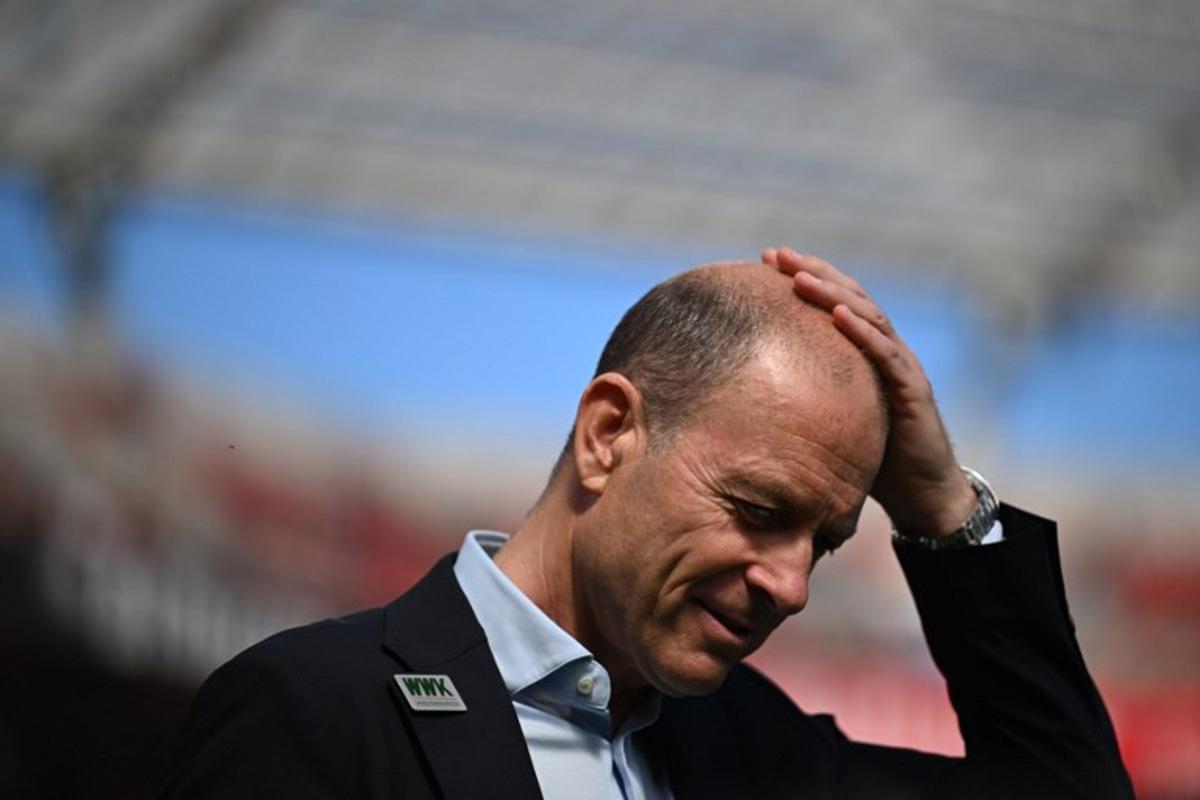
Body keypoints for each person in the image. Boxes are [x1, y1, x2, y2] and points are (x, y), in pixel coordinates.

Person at [161, 249, 1133, 798]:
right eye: (759, 511)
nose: (792, 585)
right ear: (607, 435)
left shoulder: (758, 750)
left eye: (825, 542)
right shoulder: (313, 711)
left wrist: (942, 509)